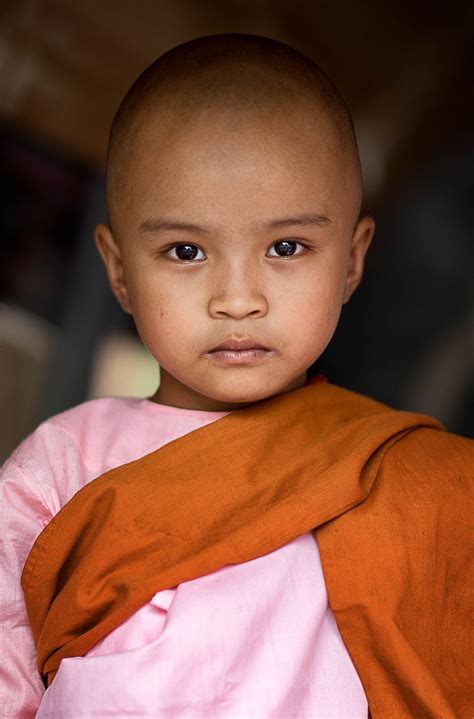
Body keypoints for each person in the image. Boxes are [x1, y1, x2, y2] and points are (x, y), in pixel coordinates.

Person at [1, 34, 472, 719]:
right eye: (186, 250)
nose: (239, 297)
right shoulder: (63, 466)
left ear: (351, 260)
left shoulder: (402, 477)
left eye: (286, 247)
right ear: (120, 270)